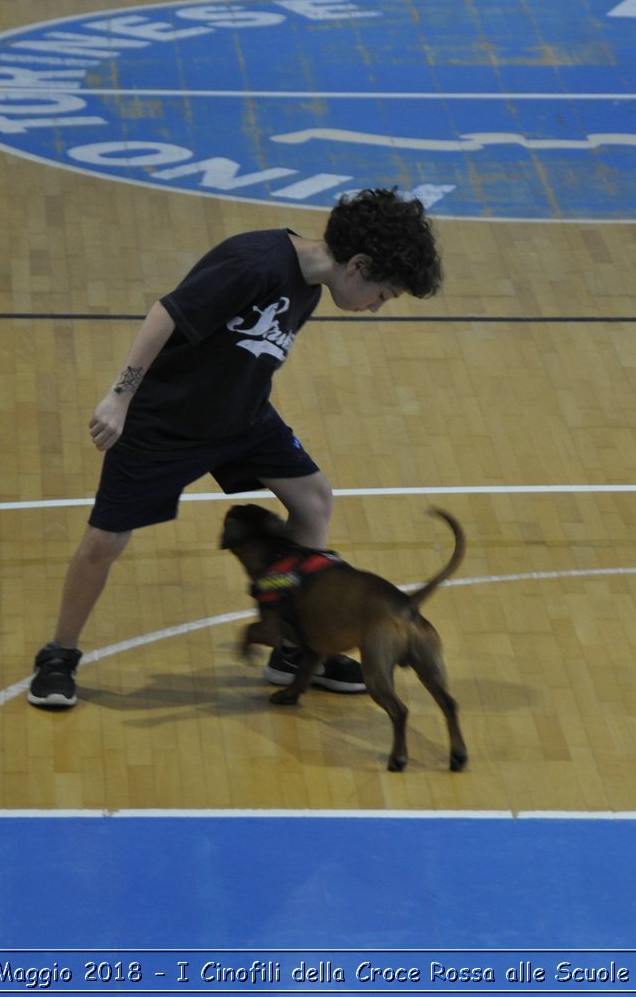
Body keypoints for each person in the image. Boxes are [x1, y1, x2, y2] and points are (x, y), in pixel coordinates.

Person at [27, 188, 443, 708]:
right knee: (104, 544)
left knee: (313, 501)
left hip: (242, 418)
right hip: (166, 424)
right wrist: (119, 396)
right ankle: (59, 654)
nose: (377, 307)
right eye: (383, 294)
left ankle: (295, 646)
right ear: (358, 265)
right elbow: (165, 314)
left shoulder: (310, 288)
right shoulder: (256, 263)